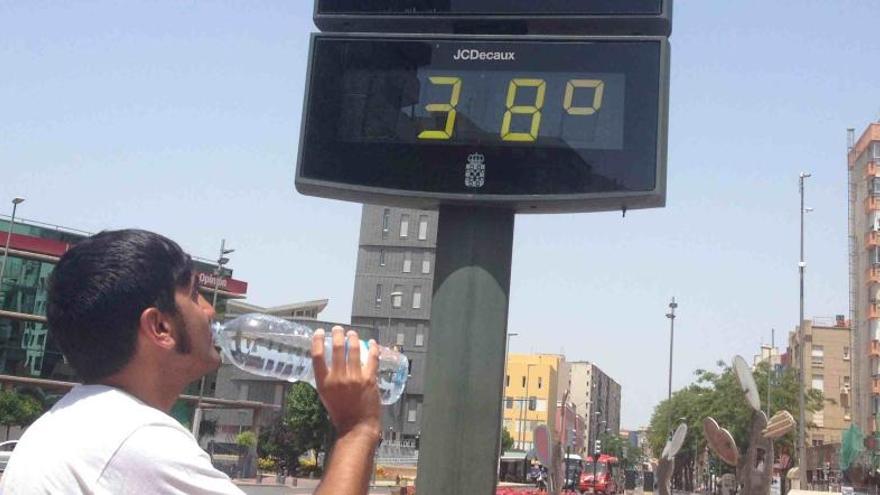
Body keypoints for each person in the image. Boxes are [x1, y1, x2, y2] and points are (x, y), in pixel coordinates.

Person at [0, 229, 381, 494]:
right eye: (195, 294)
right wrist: (356, 428)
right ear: (160, 326)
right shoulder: (132, 438)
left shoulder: (76, 423)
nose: (210, 311)